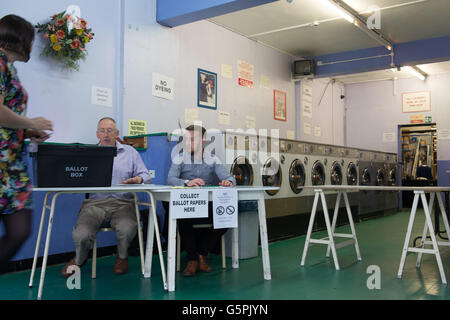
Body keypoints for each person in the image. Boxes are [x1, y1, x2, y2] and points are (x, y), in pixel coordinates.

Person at [61, 117, 151, 276]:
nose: (106, 134)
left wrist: (138, 179)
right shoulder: (89, 154)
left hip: (123, 203)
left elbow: (145, 174)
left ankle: (122, 257)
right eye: (102, 131)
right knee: (81, 234)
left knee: (128, 228)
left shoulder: (130, 152)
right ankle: (79, 259)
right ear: (97, 134)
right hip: (95, 204)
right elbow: (77, 175)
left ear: (116, 133)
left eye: (110, 131)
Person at [0, 15, 53, 275]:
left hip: (9, 162)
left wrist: (28, 130)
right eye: (31, 39)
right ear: (19, 38)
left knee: (20, 230)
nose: (32, 46)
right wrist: (30, 120)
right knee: (19, 230)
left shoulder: (8, 67)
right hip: (3, 164)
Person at [166, 125, 236, 276]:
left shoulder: (213, 159)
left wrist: (228, 182)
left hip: (207, 205)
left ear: (203, 141)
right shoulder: (179, 158)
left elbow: (229, 177)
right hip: (188, 204)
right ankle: (192, 259)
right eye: (186, 139)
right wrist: (186, 183)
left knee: (227, 218)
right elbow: (170, 179)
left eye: (192, 139)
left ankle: (201, 253)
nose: (187, 143)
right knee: (182, 217)